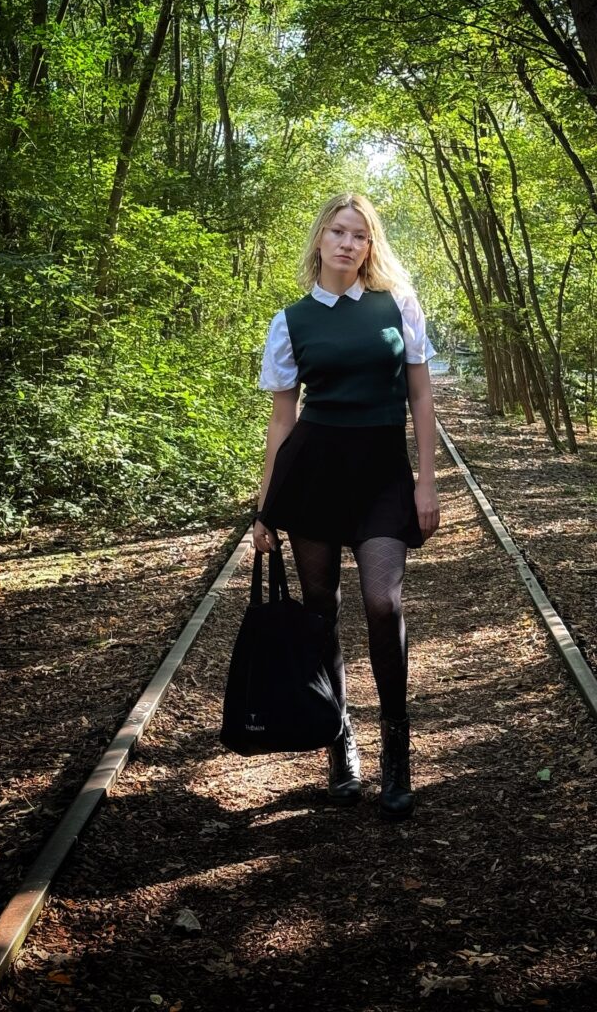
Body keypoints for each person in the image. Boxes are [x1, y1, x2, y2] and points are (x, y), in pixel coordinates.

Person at [253, 191, 440, 821]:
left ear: (370, 245)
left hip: (383, 477)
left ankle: (397, 747)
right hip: (312, 477)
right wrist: (265, 508)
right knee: (319, 614)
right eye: (338, 231)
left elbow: (421, 400)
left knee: (384, 602)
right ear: (321, 239)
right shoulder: (292, 321)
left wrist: (426, 482)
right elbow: (283, 420)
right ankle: (340, 743)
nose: (348, 243)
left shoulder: (398, 306)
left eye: (359, 234)